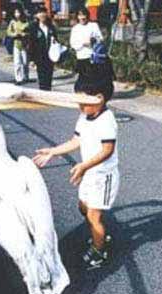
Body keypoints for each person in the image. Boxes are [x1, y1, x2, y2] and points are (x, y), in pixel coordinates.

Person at [33, 79, 118, 270]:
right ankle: (100, 234)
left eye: (82, 101)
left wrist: (84, 166)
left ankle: (99, 251)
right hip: (87, 171)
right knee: (83, 208)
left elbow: (107, 150)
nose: (79, 106)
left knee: (94, 216)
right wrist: (53, 151)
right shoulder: (84, 117)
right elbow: (75, 141)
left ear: (99, 98)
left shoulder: (107, 120)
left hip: (103, 175)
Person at [70, 7, 103, 88]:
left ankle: (93, 92)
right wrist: (83, 44)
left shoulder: (93, 25)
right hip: (81, 56)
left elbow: (100, 38)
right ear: (77, 17)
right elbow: (73, 43)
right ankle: (82, 92)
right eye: (80, 15)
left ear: (87, 16)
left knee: (94, 76)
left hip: (93, 56)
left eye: (84, 15)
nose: (82, 17)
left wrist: (93, 41)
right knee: (83, 77)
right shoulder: (75, 28)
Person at [28, 6, 57, 91]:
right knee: (42, 78)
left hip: (50, 57)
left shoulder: (51, 27)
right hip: (39, 57)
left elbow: (56, 41)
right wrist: (31, 59)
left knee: (49, 78)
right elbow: (31, 44)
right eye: (40, 13)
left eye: (44, 12)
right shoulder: (33, 28)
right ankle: (43, 95)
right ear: (37, 15)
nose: (42, 15)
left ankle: (48, 95)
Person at [6, 7, 29, 84]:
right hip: (16, 43)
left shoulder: (26, 22)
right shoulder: (12, 22)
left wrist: (24, 34)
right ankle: (18, 78)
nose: (17, 14)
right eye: (15, 13)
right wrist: (14, 34)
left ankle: (26, 77)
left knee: (25, 62)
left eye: (18, 12)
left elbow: (30, 32)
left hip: (24, 44)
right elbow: (8, 32)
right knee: (17, 62)